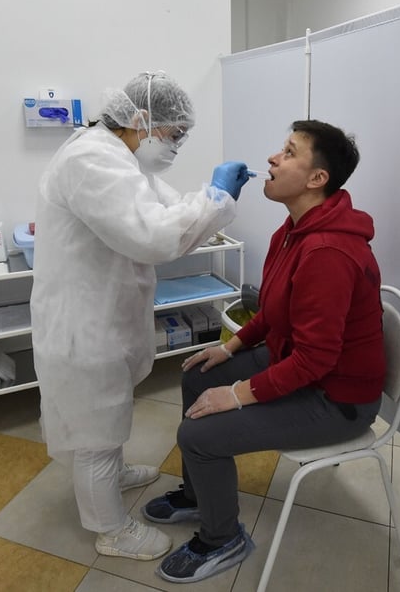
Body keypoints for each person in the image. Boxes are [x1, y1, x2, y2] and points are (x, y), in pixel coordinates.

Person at [143, 119, 386, 583]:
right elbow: (275, 310)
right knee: (197, 375)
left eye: (289, 152)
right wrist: (231, 347)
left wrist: (236, 395)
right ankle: (199, 496)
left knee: (200, 435)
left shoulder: (327, 252)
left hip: (337, 399)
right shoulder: (293, 231)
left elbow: (316, 361)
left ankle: (223, 539)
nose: (273, 158)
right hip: (300, 365)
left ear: (318, 179)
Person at [30, 71, 251, 562]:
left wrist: (211, 201)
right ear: (141, 120)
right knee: (95, 431)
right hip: (82, 325)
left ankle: (112, 472)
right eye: (173, 134)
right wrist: (215, 198)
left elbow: (167, 210)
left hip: (103, 316)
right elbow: (154, 236)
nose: (176, 145)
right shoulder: (91, 160)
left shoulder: (121, 159)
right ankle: (110, 530)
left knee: (107, 414)